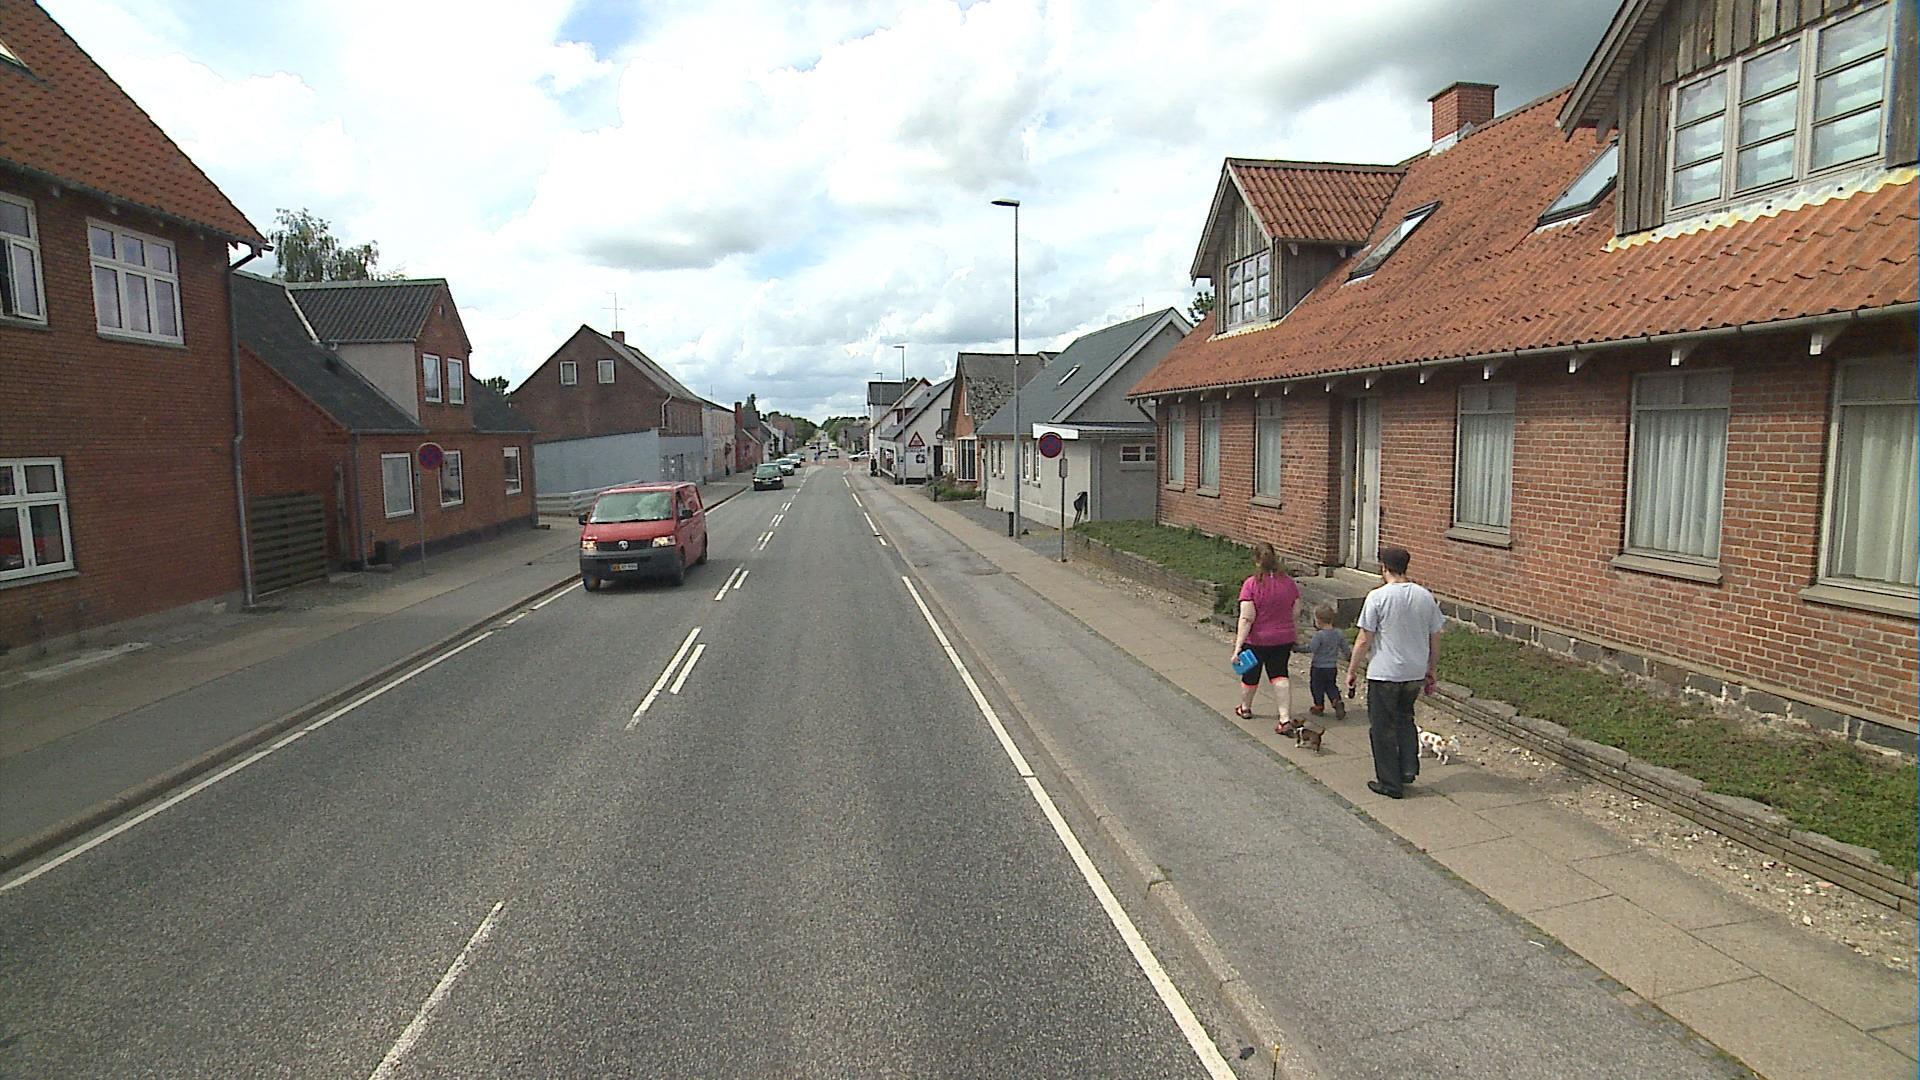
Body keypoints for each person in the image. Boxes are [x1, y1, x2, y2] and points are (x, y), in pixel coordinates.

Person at [1345, 545, 1446, 799]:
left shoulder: (1377, 597)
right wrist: (1431, 669)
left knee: (1382, 727)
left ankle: (1389, 782)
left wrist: (1352, 669)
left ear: (1384, 568)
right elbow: (1435, 636)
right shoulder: (1425, 596)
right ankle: (1408, 768)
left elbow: (1364, 639)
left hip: (1385, 672)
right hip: (1414, 672)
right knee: (1405, 718)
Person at [1229, 541, 1301, 732]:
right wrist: (1294, 632)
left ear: (1256, 561)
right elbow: (1295, 612)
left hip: (1256, 640)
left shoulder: (1251, 585)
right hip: (1283, 638)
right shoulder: (1288, 583)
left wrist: (1237, 647)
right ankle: (1284, 718)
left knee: (1250, 675)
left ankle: (1245, 708)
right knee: (1279, 674)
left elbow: (1247, 618)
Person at [1305, 604, 1349, 721]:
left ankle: (1318, 706)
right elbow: (1345, 648)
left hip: (1318, 667)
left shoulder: (1319, 635)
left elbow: (1312, 648)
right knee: (1331, 685)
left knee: (1317, 686)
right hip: (1331, 667)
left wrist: (1297, 648)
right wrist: (1349, 657)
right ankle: (1336, 700)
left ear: (1318, 621)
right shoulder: (1338, 633)